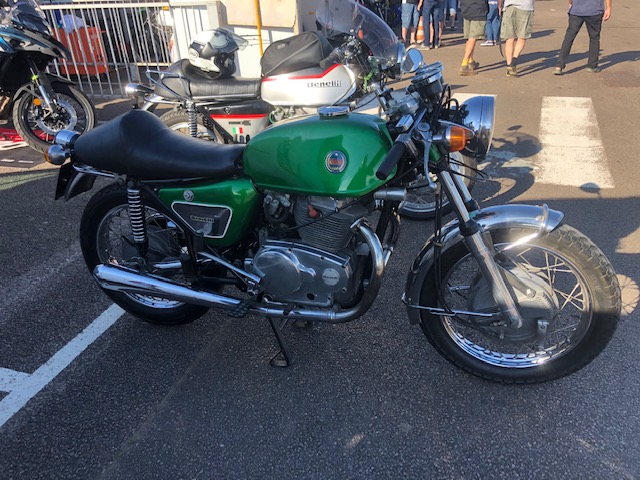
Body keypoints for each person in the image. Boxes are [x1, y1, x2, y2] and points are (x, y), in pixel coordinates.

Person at [553, 0, 612, 75]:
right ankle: (592, 65)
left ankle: (559, 66)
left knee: (569, 38)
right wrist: (609, 7)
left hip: (576, 10)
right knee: (594, 38)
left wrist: (571, 3)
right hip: (594, 10)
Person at [499, 0, 535, 76]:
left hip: (510, 5)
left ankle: (509, 64)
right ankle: (513, 62)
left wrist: (500, 5)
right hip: (526, 6)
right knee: (522, 36)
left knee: (509, 37)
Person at [458, 0, 488, 75]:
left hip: (466, 9)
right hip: (478, 10)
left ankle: (470, 60)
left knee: (469, 38)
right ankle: (464, 64)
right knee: (473, 38)